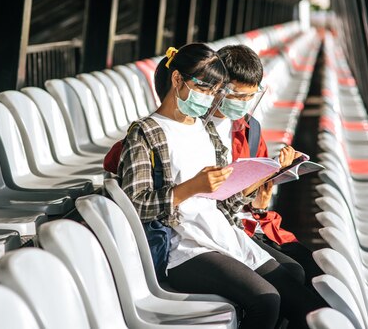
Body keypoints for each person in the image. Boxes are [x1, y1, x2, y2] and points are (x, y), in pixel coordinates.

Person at [117, 43, 326, 329]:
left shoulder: (205, 131)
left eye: (215, 91)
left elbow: (221, 202)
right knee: (265, 300)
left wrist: (256, 181)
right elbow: (133, 204)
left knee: (305, 303)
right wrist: (190, 188)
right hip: (183, 246)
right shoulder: (146, 133)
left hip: (218, 232)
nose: (209, 98)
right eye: (205, 88)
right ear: (177, 80)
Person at [213, 44, 324, 286]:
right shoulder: (197, 129)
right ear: (218, 87)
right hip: (227, 226)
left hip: (252, 217)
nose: (243, 103)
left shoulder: (251, 130)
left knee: (312, 267)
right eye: (238, 96)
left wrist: (274, 174)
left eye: (249, 97)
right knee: (292, 273)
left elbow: (252, 191)